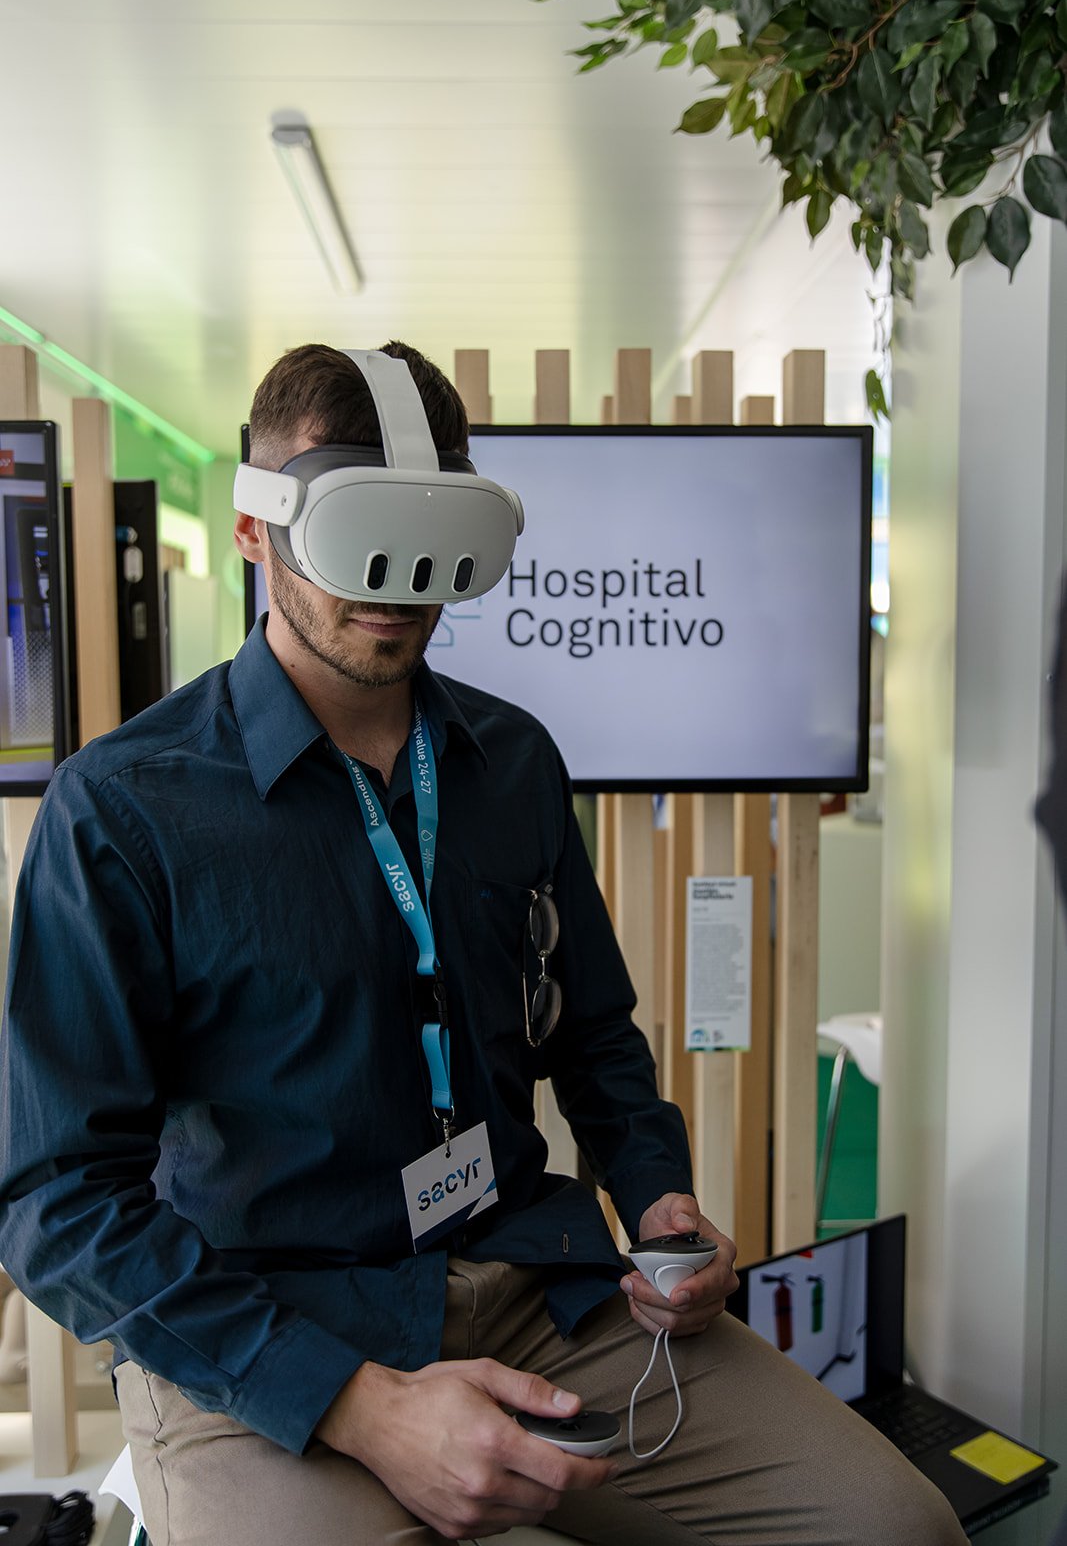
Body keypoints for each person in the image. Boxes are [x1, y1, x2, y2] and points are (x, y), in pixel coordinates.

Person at [0, 342, 966, 1546]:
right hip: (266, 1332)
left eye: (430, 532)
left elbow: (591, 1032)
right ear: (254, 530)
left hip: (530, 1285)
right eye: (356, 531)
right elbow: (57, 1201)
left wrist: (655, 1195)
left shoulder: (510, 763)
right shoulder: (125, 808)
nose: (396, 584)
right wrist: (354, 1404)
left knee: (893, 1526)